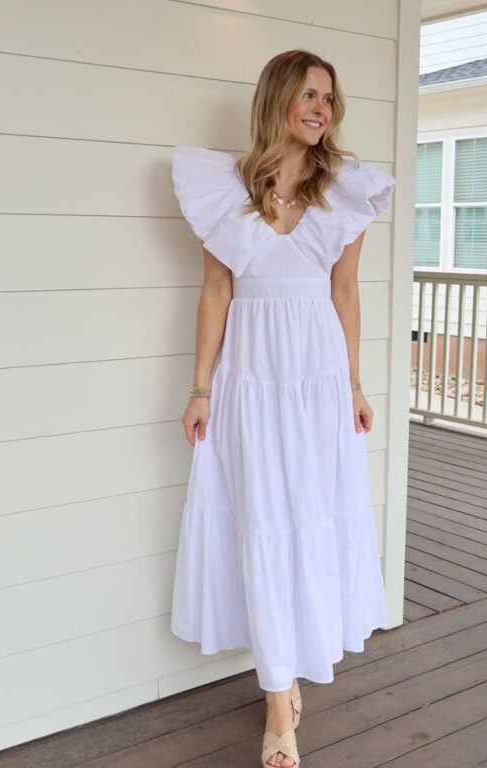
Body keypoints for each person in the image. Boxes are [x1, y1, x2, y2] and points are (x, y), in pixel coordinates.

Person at [169, 49, 395, 768]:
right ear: (277, 100)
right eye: (306, 94)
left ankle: (292, 671)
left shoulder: (347, 190)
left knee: (311, 519)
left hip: (319, 379)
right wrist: (200, 388)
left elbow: (347, 294)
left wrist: (355, 385)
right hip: (250, 381)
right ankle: (278, 701)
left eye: (328, 96)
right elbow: (215, 294)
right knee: (264, 521)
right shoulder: (225, 191)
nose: (320, 106)